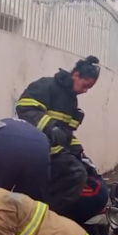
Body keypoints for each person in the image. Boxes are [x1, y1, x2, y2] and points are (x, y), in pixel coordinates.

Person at [15, 56, 100, 218]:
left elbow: (66, 134)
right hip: (35, 150)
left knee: (82, 173)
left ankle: (47, 215)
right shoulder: (46, 86)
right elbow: (24, 108)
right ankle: (49, 216)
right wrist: (50, 126)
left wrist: (79, 152)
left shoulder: (71, 100)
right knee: (76, 175)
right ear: (75, 75)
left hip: (53, 152)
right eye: (85, 85)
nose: (85, 91)